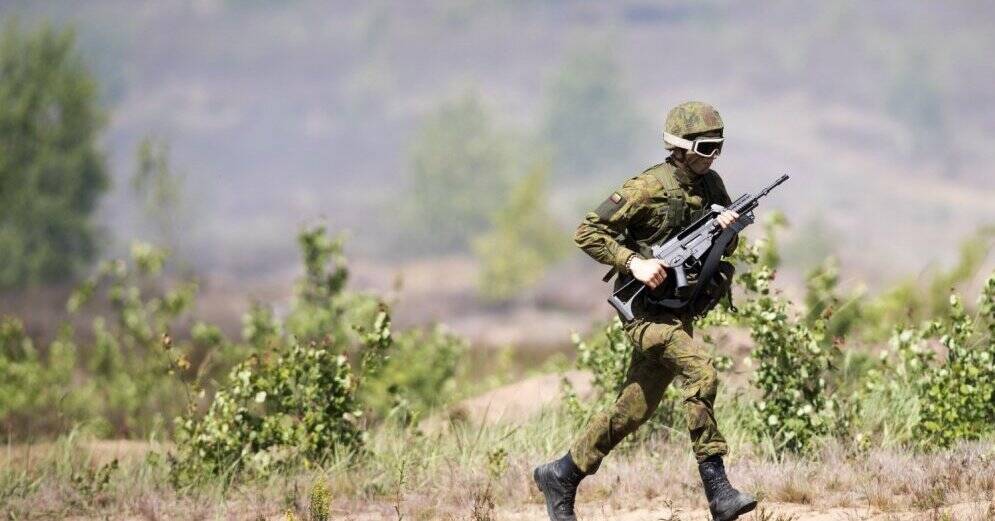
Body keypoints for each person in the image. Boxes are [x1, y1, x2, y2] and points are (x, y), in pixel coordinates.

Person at [533, 101, 757, 521]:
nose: (715, 155)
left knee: (632, 410)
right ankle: (718, 489)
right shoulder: (647, 188)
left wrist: (727, 234)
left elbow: (715, 255)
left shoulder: (713, 188)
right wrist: (633, 262)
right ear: (680, 146)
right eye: (707, 147)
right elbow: (588, 231)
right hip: (643, 314)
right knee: (700, 372)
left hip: (677, 310)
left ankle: (561, 474)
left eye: (720, 146)